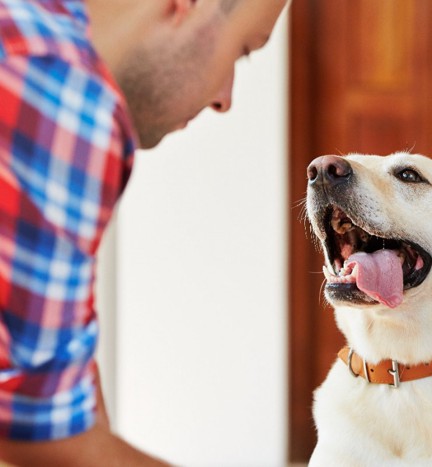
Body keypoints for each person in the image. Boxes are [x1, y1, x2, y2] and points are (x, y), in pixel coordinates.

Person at [0, 0, 287, 464]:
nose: (224, 99)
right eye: (241, 50)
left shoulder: (32, 23)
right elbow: (47, 443)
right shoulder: (60, 91)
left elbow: (58, 388)